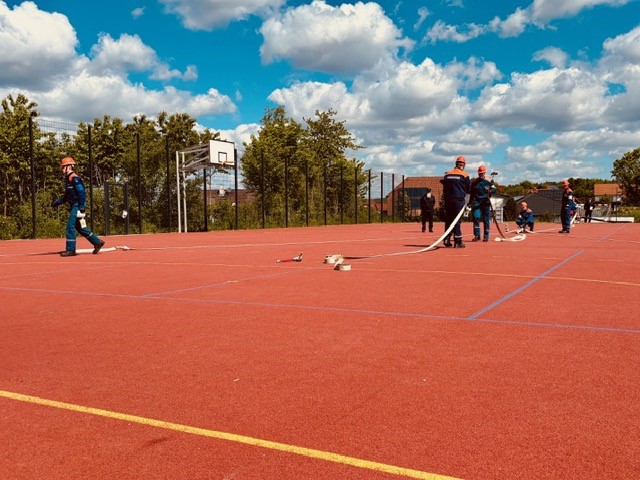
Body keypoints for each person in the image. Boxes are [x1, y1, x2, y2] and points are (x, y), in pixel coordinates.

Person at [51, 156, 105, 256]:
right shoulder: (68, 179)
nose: (62, 169)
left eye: (63, 167)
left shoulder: (74, 178)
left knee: (70, 226)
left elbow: (81, 192)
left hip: (77, 205)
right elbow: (67, 196)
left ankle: (71, 250)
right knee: (80, 227)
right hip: (74, 205)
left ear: (69, 167)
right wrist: (58, 202)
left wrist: (81, 207)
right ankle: (97, 242)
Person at [440, 155, 470, 248]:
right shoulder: (464, 175)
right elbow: (469, 188)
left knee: (449, 219)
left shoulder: (447, 175)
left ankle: (447, 239)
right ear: (463, 165)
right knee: (457, 220)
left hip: (448, 200)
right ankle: (457, 241)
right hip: (458, 199)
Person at [468, 165, 496, 242]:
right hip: (477, 202)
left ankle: (486, 236)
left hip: (486, 202)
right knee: (476, 217)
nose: (481, 175)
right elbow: (472, 193)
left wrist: (490, 191)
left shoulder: (489, 180)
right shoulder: (474, 182)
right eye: (480, 173)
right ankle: (477, 235)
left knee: (486, 219)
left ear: (485, 173)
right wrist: (470, 202)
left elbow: (494, 189)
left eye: (482, 173)